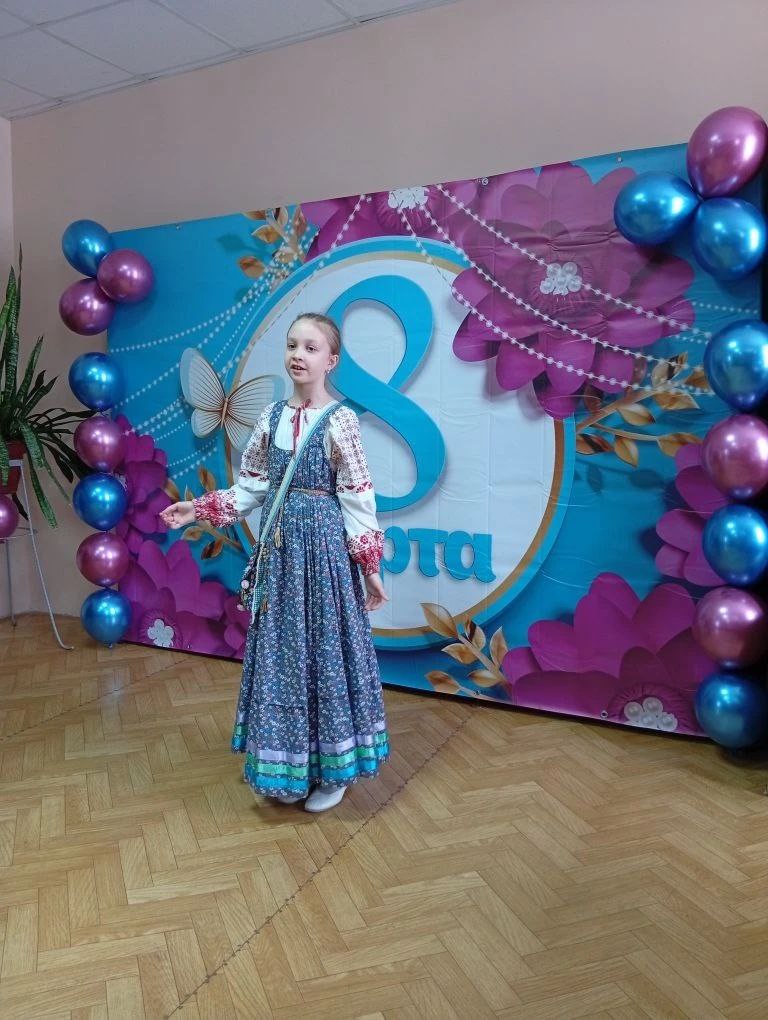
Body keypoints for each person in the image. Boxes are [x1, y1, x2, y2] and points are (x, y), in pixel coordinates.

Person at [161, 313, 389, 813]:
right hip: (282, 558)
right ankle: (287, 765)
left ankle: (333, 771)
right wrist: (196, 509)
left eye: (311, 347)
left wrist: (369, 567)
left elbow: (357, 499)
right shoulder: (269, 418)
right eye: (292, 345)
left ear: (331, 360)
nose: (298, 355)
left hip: (324, 559)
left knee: (325, 654)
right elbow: (251, 489)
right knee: (284, 658)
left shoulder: (341, 421)